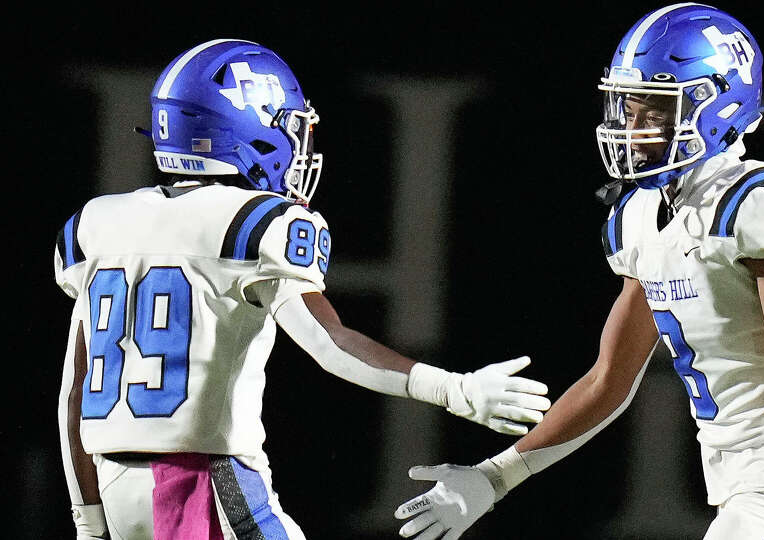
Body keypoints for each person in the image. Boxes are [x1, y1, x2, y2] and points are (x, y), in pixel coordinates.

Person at [394, 4, 764, 539]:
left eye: (656, 111)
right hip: (740, 471)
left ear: (718, 105)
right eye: (630, 108)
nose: (632, 128)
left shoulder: (757, 201)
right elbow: (608, 380)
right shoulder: (638, 215)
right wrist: (493, 477)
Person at [55, 39, 551, 540]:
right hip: (201, 483)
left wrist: (88, 519)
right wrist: (455, 389)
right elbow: (328, 343)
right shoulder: (257, 222)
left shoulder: (95, 224)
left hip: (113, 482)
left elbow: (73, 394)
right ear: (248, 126)